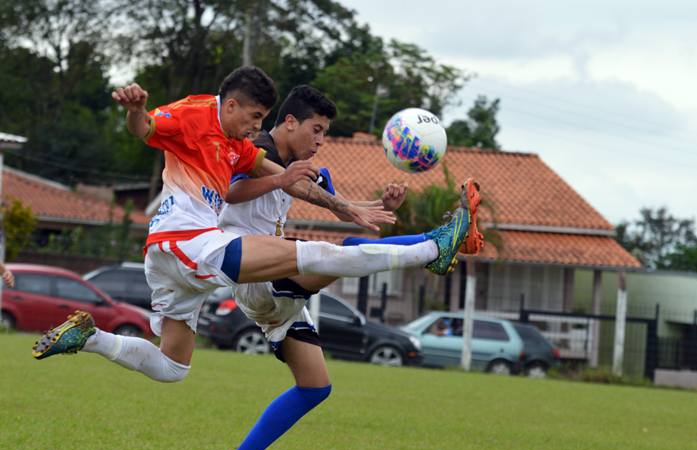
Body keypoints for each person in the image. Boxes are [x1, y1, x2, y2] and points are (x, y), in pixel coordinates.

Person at [31, 66, 473, 397]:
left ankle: (91, 338)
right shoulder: (192, 114)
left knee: (172, 368)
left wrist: (354, 206)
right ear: (230, 105)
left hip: (170, 259)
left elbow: (283, 175)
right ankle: (433, 248)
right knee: (324, 255)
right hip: (192, 244)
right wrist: (135, 110)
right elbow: (143, 129)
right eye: (255, 117)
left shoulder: (240, 146)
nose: (258, 128)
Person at [210, 85, 483, 450]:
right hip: (254, 269)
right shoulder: (260, 151)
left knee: (314, 387)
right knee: (347, 249)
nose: (321, 140)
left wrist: (378, 205)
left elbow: (341, 208)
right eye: (317, 129)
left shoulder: (309, 169)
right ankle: (437, 244)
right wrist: (283, 179)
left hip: (267, 284)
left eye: (325, 132)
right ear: (290, 122)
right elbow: (231, 191)